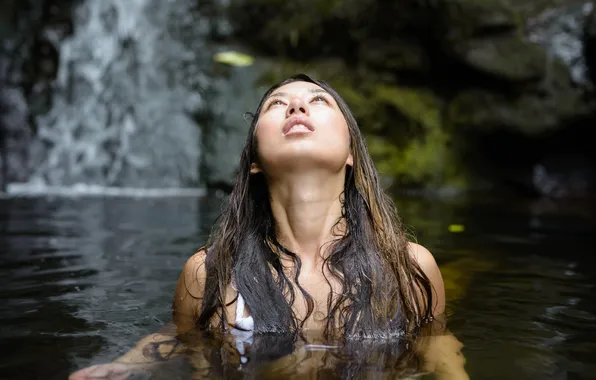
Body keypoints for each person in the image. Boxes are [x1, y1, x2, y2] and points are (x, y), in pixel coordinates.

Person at [70, 74, 468, 379]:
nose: (297, 108)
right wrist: (124, 366)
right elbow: (181, 337)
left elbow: (436, 344)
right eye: (277, 104)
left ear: (351, 154)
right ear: (254, 161)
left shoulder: (409, 268)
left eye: (317, 101)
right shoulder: (210, 272)